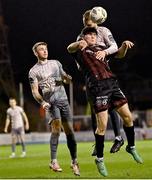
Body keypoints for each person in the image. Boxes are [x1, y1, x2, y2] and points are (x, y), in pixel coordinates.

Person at [67, 26, 143, 177]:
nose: (92, 37)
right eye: (89, 35)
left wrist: (123, 46)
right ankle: (100, 159)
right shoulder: (80, 51)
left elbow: (119, 54)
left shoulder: (102, 48)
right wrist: (78, 43)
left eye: (94, 35)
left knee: (128, 117)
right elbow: (69, 48)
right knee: (102, 126)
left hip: (112, 84)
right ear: (83, 37)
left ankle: (131, 147)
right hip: (98, 87)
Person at [28, 42, 80, 176]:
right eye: (41, 49)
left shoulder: (56, 63)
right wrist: (42, 102)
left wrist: (68, 79)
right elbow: (35, 91)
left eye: (46, 48)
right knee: (56, 128)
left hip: (63, 100)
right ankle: (53, 161)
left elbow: (65, 78)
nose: (45, 51)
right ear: (36, 53)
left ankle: (74, 162)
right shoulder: (33, 71)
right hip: (50, 103)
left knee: (70, 132)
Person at [77, 9, 124, 155]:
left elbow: (115, 47)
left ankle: (118, 137)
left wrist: (104, 52)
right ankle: (98, 143)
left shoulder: (103, 31)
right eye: (85, 21)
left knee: (112, 107)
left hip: (105, 74)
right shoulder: (81, 36)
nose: (87, 23)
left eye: (89, 20)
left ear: (96, 20)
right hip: (90, 77)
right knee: (94, 110)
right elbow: (78, 56)